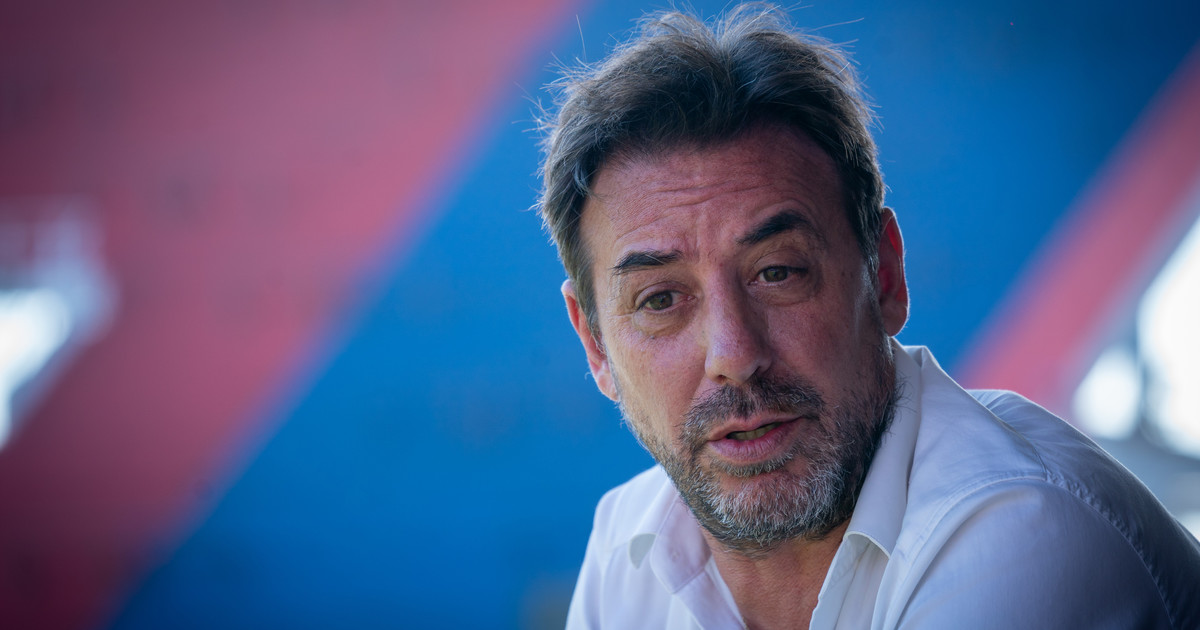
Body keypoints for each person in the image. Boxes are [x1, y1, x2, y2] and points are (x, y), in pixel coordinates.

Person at [535, 5, 1200, 629]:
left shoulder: (1025, 535)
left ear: (884, 276)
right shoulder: (629, 545)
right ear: (595, 346)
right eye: (660, 300)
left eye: (777, 272)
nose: (734, 354)